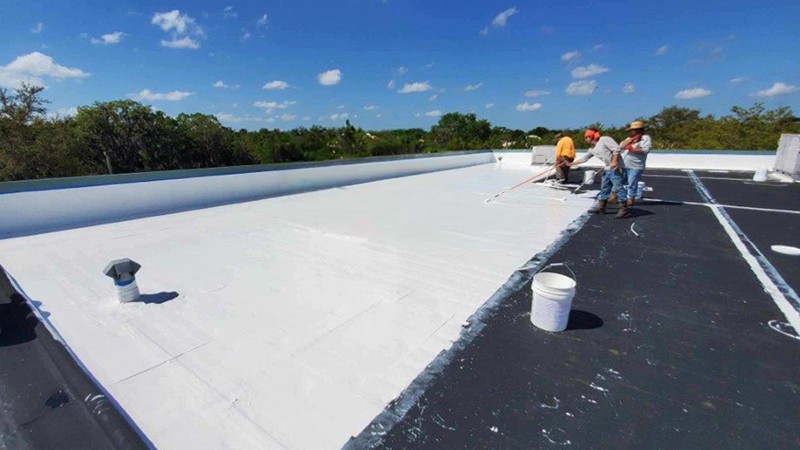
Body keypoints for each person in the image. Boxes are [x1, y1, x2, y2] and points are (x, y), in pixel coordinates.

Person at [568, 128, 629, 218]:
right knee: (604, 188)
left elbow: (617, 149)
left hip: (617, 168)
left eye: (587, 137)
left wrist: (615, 162)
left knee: (618, 188)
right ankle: (601, 208)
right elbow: (585, 158)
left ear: (592, 136)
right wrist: (570, 164)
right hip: (607, 169)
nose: (586, 139)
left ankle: (623, 209)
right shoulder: (592, 149)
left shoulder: (604, 139)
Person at [620, 120, 652, 207]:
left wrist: (633, 149)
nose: (631, 132)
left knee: (632, 183)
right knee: (620, 182)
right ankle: (621, 197)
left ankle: (631, 199)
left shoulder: (645, 138)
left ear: (639, 130)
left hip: (636, 166)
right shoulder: (629, 139)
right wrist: (632, 139)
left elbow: (645, 150)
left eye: (633, 130)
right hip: (625, 164)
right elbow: (621, 146)